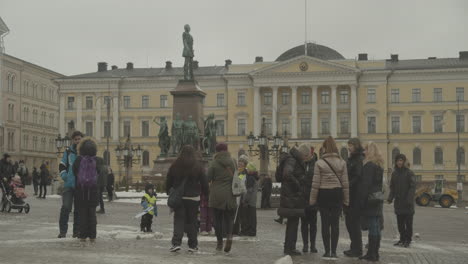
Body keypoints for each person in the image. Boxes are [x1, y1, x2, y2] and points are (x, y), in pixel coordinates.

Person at [310, 136, 349, 259]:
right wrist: (346, 199)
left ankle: (327, 251)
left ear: (325, 148)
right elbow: (345, 183)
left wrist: (312, 199)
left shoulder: (319, 163)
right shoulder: (342, 162)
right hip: (337, 193)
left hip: (324, 194)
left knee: (325, 223)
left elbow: (315, 183)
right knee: (335, 223)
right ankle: (334, 251)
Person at [166, 145, 209, 253]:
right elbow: (204, 182)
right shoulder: (198, 166)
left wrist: (169, 192)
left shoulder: (175, 165)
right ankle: (193, 245)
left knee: (179, 220)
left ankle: (176, 243)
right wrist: (206, 194)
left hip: (180, 198)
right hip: (193, 198)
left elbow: (168, 181)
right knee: (192, 222)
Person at [278, 144, 311, 256]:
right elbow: (287, 174)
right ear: (303, 154)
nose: (305, 160)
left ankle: (290, 247)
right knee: (293, 222)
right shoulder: (292, 160)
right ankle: (289, 248)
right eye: (306, 157)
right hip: (292, 196)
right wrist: (298, 185)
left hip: (291, 196)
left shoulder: (291, 158)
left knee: (293, 222)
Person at [72, 137, 106, 242]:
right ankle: (92, 236)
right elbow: (102, 174)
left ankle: (82, 236)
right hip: (93, 191)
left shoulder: (78, 160)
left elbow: (74, 173)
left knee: (82, 214)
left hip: (81, 191)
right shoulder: (99, 160)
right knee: (92, 214)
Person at [207, 143, 237, 253]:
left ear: (217, 151)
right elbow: (236, 175)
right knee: (229, 218)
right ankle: (229, 237)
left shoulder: (214, 163)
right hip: (230, 194)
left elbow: (208, 178)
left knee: (217, 220)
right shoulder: (233, 161)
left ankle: (219, 243)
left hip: (216, 195)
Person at [358, 142, 384, 262]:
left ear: (370, 151)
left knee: (373, 226)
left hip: (369, 200)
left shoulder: (369, 166)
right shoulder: (378, 165)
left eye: (365, 150)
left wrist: (361, 202)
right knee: (376, 226)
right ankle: (374, 252)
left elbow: (366, 185)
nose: (364, 152)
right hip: (377, 199)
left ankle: (372, 254)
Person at [58, 131, 83, 238]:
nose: (78, 141)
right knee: (66, 207)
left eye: (79, 139)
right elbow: (62, 165)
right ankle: (63, 231)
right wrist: (65, 176)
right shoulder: (68, 152)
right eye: (76, 139)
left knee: (78, 209)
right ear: (73, 140)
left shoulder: (85, 152)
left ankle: (76, 231)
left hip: (81, 186)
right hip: (69, 185)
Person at [388, 153, 416, 248]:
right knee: (400, 224)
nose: (399, 162)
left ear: (404, 162)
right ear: (396, 162)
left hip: (408, 204)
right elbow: (392, 188)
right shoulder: (394, 173)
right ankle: (402, 239)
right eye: (398, 160)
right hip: (399, 203)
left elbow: (412, 187)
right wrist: (390, 198)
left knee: (408, 224)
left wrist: (409, 200)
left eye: (401, 160)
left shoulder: (409, 173)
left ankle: (408, 240)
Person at [343, 138, 364, 257]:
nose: (349, 147)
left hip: (355, 196)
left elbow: (357, 176)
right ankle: (354, 247)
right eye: (348, 145)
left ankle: (357, 249)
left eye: (350, 145)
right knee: (349, 223)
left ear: (356, 146)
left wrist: (347, 185)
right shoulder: (351, 158)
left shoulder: (358, 159)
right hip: (350, 194)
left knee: (353, 223)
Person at [301, 146, 318, 253]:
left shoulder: (315, 164)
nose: (304, 158)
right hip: (303, 198)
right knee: (303, 223)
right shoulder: (301, 164)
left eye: (306, 156)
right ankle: (305, 245)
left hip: (313, 197)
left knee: (313, 223)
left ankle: (313, 245)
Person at [240, 162, 259, 236]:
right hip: (253, 200)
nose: (246, 170)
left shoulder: (250, 178)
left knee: (247, 217)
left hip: (249, 201)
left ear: (250, 170)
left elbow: (249, 191)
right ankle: (252, 231)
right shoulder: (255, 177)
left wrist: (245, 201)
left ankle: (247, 231)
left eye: (248, 169)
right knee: (252, 217)